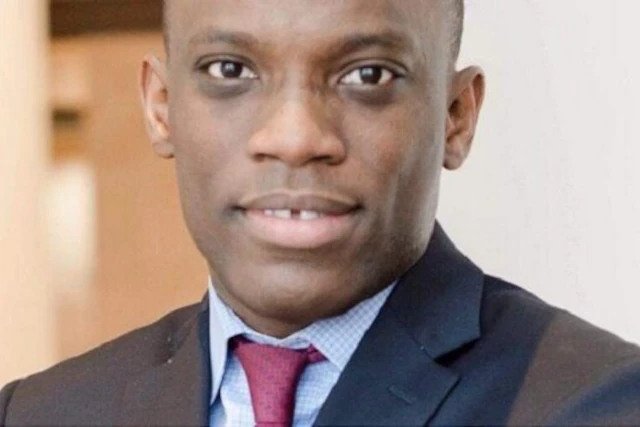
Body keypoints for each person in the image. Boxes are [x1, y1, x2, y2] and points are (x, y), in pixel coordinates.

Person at [2, 1, 640, 426]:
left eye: (368, 76)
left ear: (456, 117)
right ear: (161, 107)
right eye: (230, 69)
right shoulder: (39, 414)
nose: (295, 137)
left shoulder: (600, 403)